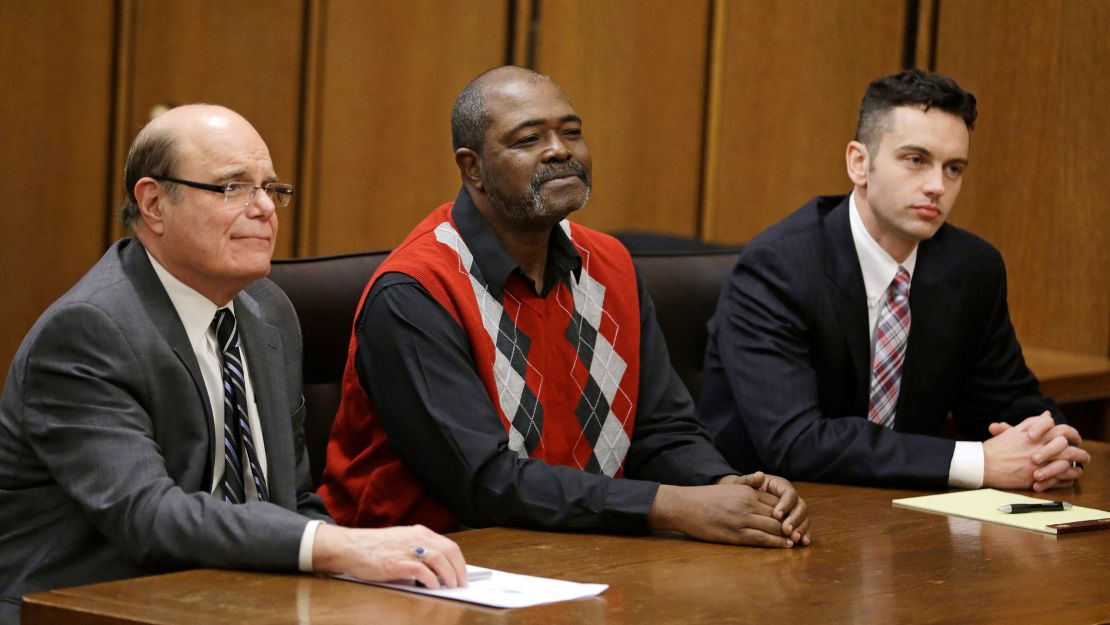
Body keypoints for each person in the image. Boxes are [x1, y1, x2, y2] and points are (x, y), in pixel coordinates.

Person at [0, 105, 464, 622]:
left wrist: (361, 559)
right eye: (232, 187)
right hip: (89, 606)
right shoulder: (89, 331)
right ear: (153, 203)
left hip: (237, 599)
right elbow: (149, 516)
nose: (265, 207)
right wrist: (334, 548)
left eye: (271, 188)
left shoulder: (268, 310)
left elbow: (293, 498)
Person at [319, 66, 810, 549]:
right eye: (528, 139)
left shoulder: (611, 265)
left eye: (571, 133)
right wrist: (671, 506)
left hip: (577, 556)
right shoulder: (416, 291)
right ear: (473, 170)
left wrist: (722, 487)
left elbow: (662, 430)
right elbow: (484, 484)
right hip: (415, 570)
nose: (559, 150)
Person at [699, 69, 1090, 490]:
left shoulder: (971, 268)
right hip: (769, 510)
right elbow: (796, 442)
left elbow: (1006, 402)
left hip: (902, 510)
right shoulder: (778, 268)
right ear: (859, 163)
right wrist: (979, 462)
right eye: (916, 160)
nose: (938, 186)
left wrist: (1048, 444)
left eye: (954, 168)